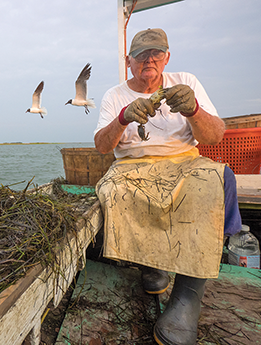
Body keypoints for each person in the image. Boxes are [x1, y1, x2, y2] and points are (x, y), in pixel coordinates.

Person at [93, 28, 242, 345]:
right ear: (129, 61)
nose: (149, 60)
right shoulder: (114, 95)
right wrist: (122, 118)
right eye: (142, 55)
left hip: (183, 160)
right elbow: (103, 147)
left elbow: (214, 136)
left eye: (156, 53)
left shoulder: (186, 81)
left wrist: (193, 110)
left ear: (167, 57)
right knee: (113, 192)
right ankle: (153, 265)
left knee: (218, 180)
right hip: (132, 164)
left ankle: (187, 298)